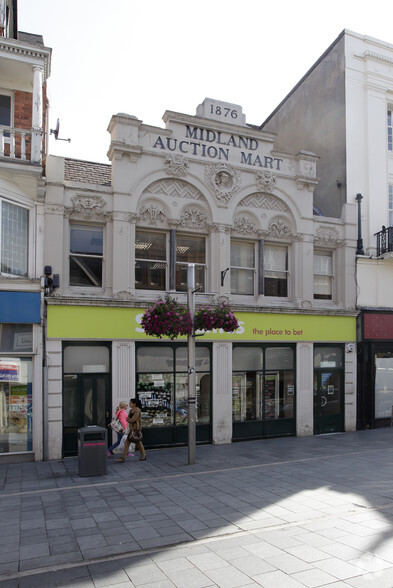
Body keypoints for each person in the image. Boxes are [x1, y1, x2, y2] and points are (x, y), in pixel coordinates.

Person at [115, 398, 146, 462]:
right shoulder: (131, 410)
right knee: (135, 443)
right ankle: (143, 456)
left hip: (136, 429)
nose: (129, 404)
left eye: (130, 403)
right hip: (131, 429)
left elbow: (133, 419)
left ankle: (123, 458)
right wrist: (129, 420)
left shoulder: (137, 410)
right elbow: (128, 419)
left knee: (134, 443)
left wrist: (129, 420)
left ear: (134, 404)